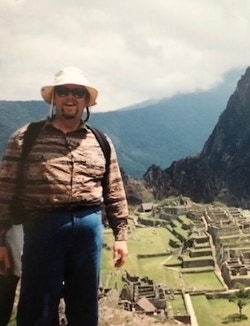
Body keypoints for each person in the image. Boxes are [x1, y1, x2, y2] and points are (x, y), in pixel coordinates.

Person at [0, 66, 129, 326]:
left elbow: (114, 189)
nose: (70, 97)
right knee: (38, 306)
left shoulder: (100, 141)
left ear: (85, 100)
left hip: (89, 226)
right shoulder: (26, 138)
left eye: (77, 92)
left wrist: (121, 235)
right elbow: (5, 188)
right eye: (64, 91)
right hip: (42, 227)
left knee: (84, 307)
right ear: (55, 97)